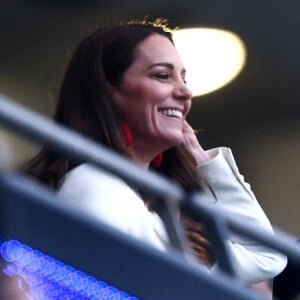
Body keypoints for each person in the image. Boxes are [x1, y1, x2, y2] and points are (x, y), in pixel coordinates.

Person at [24, 19, 286, 290]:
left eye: (183, 78)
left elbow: (265, 256)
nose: (186, 92)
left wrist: (203, 161)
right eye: (162, 75)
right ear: (108, 92)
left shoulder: (154, 214)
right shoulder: (92, 184)